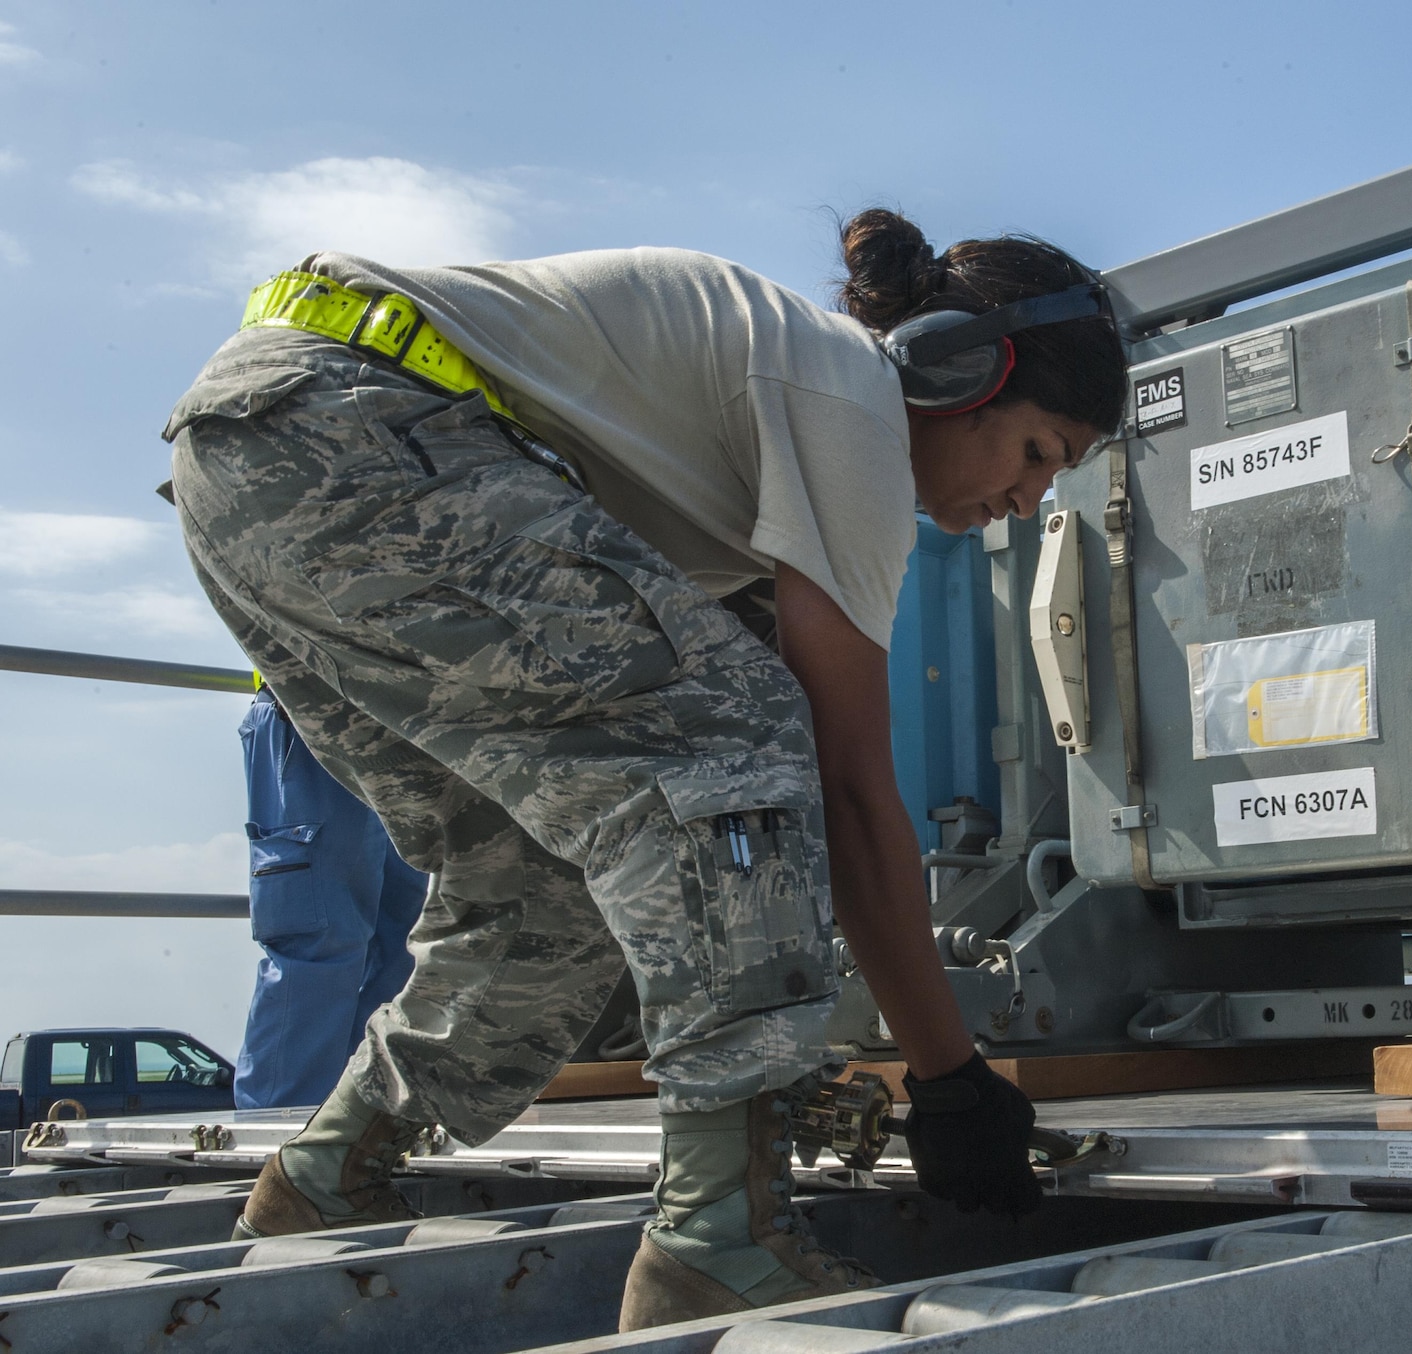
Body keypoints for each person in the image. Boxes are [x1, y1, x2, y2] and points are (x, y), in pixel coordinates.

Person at [161, 208, 1125, 1329]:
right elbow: (844, 787)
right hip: (351, 425)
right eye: (1038, 453)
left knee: (539, 884)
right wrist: (949, 1076)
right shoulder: (851, 399)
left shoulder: (763, 437)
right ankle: (722, 1233)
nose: (1027, 502)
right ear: (956, 369)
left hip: (260, 462)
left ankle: (327, 1174)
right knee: (740, 746)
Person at [234, 680, 429, 1110]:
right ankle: (279, 1136)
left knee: (401, 947)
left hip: (399, 721)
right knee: (318, 944)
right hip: (310, 707)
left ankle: (363, 1119)